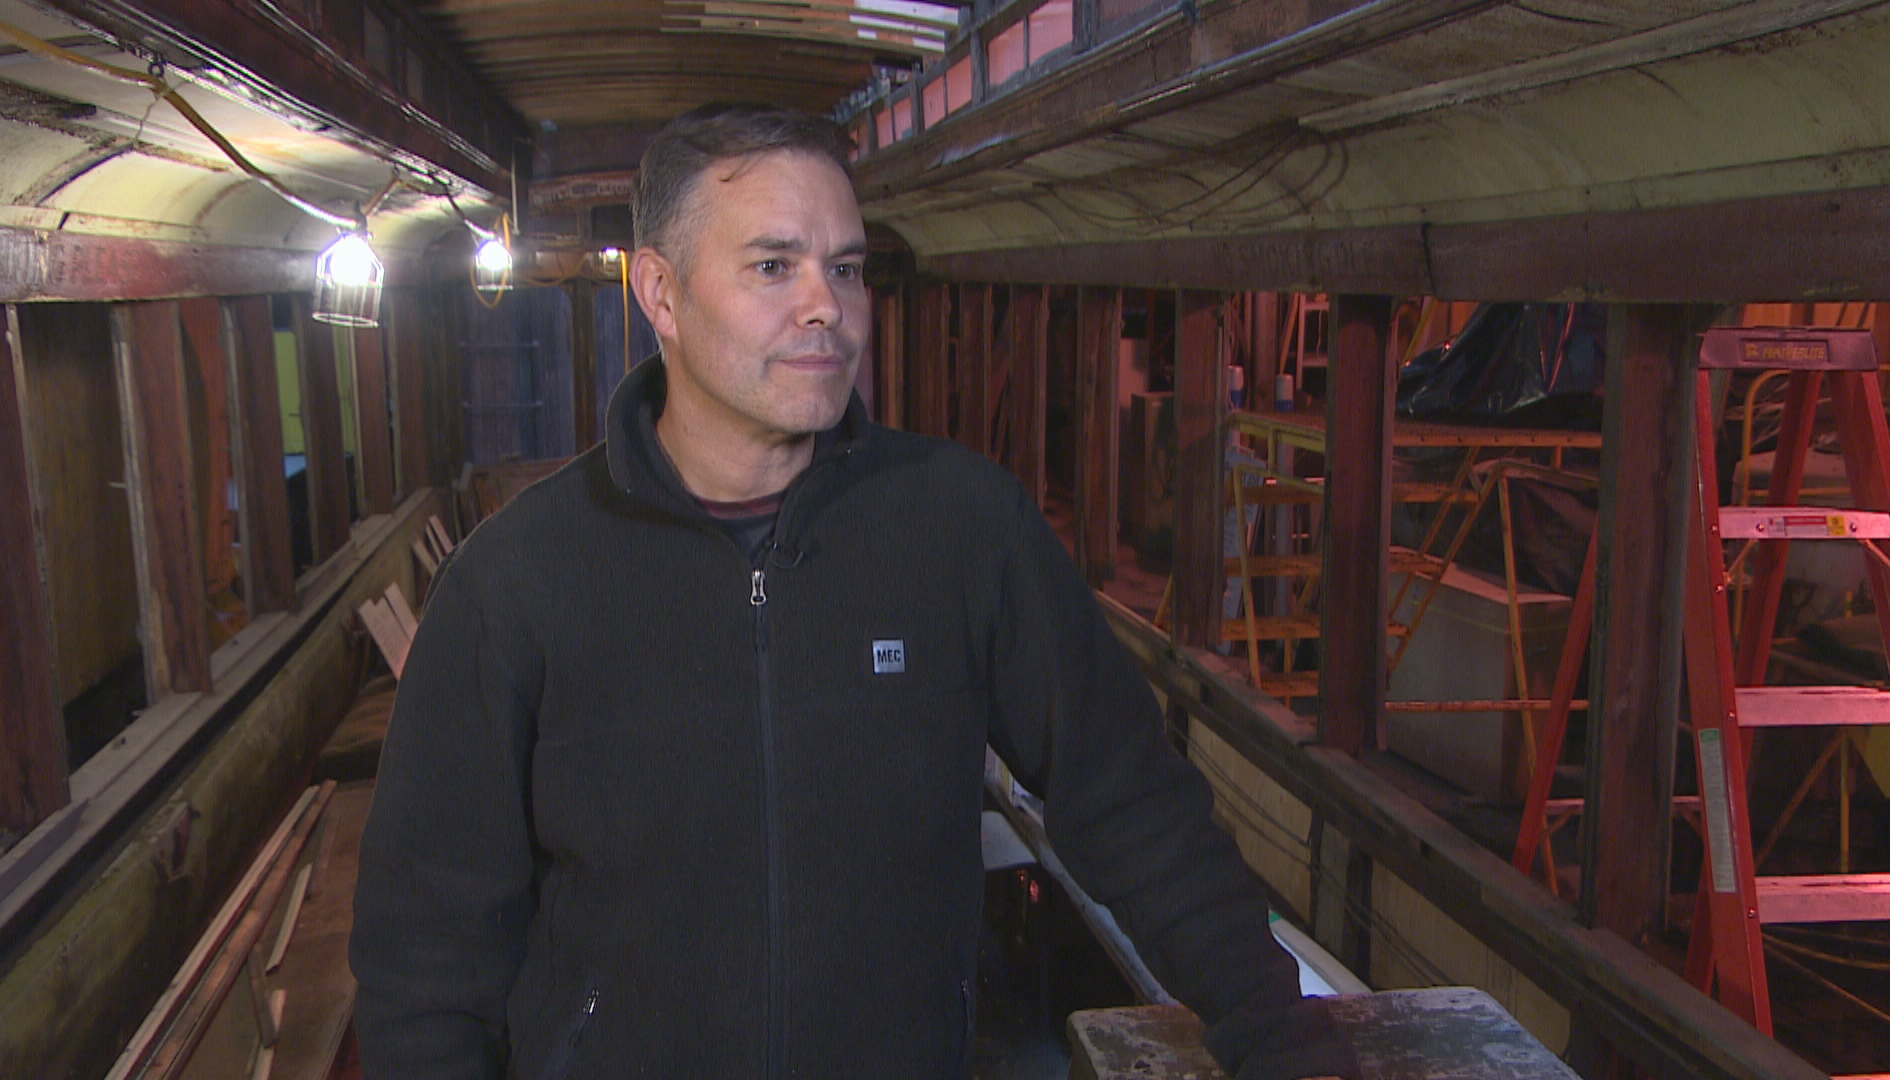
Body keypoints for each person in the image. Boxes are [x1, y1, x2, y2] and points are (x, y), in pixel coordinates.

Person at [349, 102, 1353, 1080]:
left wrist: (1280, 1033)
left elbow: (1132, 804)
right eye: (774, 267)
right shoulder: (517, 580)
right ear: (660, 291)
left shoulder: (959, 527)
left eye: (846, 268)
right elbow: (429, 955)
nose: (825, 304)